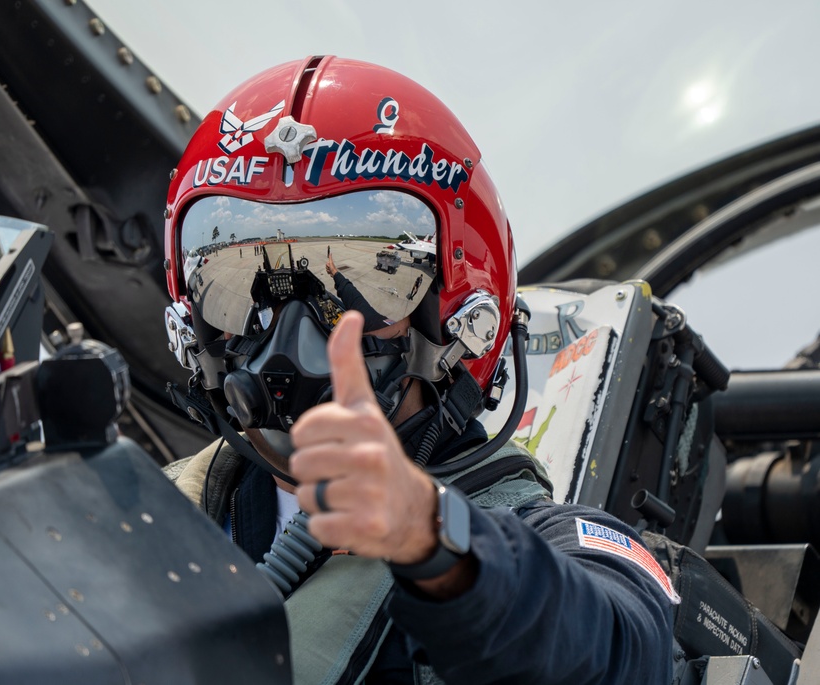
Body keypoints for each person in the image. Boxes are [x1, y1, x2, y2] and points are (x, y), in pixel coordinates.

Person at [161, 56, 674, 684]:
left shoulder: (531, 540)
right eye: (248, 284)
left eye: (357, 279)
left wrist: (435, 536)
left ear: (460, 312)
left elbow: (626, 648)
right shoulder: (140, 512)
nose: (294, 325)